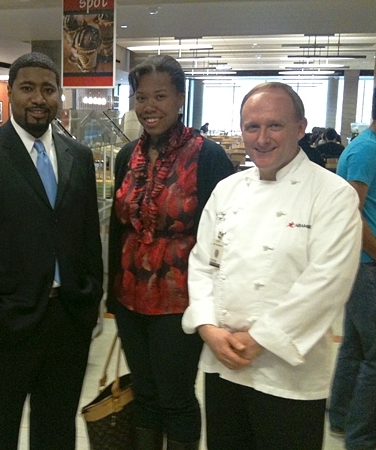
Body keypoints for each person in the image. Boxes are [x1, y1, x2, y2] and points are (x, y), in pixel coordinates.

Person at [182, 82, 362, 450]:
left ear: (300, 128)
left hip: (288, 374)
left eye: (275, 126)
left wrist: (259, 340)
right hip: (223, 362)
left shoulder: (332, 193)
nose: (261, 138)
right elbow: (202, 263)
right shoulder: (228, 190)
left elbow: (327, 282)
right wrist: (207, 327)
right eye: (252, 127)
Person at [0, 52, 103, 450]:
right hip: (0, 328)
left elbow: (87, 239)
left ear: (59, 96)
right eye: (28, 88)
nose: (38, 98)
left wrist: (88, 302)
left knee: (56, 432)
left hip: (67, 321)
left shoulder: (78, 157)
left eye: (48, 90)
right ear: (9, 92)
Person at [107, 55, 234, 450]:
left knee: (175, 397)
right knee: (143, 393)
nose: (149, 106)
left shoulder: (207, 156)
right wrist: (111, 292)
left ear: (180, 98)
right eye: (141, 97)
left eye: (160, 96)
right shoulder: (129, 155)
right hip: (130, 297)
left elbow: (224, 234)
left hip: (180, 300)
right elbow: (117, 226)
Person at [329, 78, 376, 450]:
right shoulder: (367, 151)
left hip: (363, 263)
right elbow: (352, 213)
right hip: (367, 265)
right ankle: (361, 438)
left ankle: (343, 417)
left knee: (356, 347)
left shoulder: (369, 147)